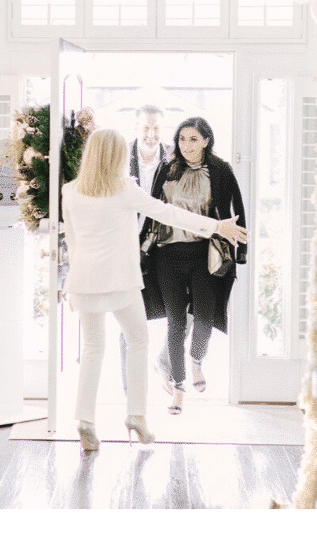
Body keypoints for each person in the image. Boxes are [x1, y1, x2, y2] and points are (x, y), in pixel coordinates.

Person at [62, 129, 246, 451]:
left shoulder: (70, 191)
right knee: (137, 343)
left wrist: (70, 287)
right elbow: (169, 213)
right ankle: (137, 417)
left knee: (93, 349)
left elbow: (73, 243)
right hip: (120, 282)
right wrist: (217, 226)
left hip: (84, 283)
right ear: (117, 156)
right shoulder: (123, 190)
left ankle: (84, 420)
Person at [140, 117, 247, 415]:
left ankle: (196, 360)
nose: (186, 145)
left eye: (193, 139)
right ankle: (178, 390)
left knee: (204, 317)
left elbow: (237, 211)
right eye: (182, 139)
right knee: (175, 323)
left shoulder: (221, 170)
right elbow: (151, 208)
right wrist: (141, 248)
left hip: (205, 254)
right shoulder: (167, 166)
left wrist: (242, 251)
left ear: (206, 141)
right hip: (167, 254)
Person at [119, 105, 173, 394]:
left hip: (163, 247)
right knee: (128, 323)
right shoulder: (120, 157)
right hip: (128, 250)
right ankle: (131, 396)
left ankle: (164, 363)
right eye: (146, 128)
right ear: (136, 128)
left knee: (185, 309)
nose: (151, 134)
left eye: (156, 128)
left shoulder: (174, 157)